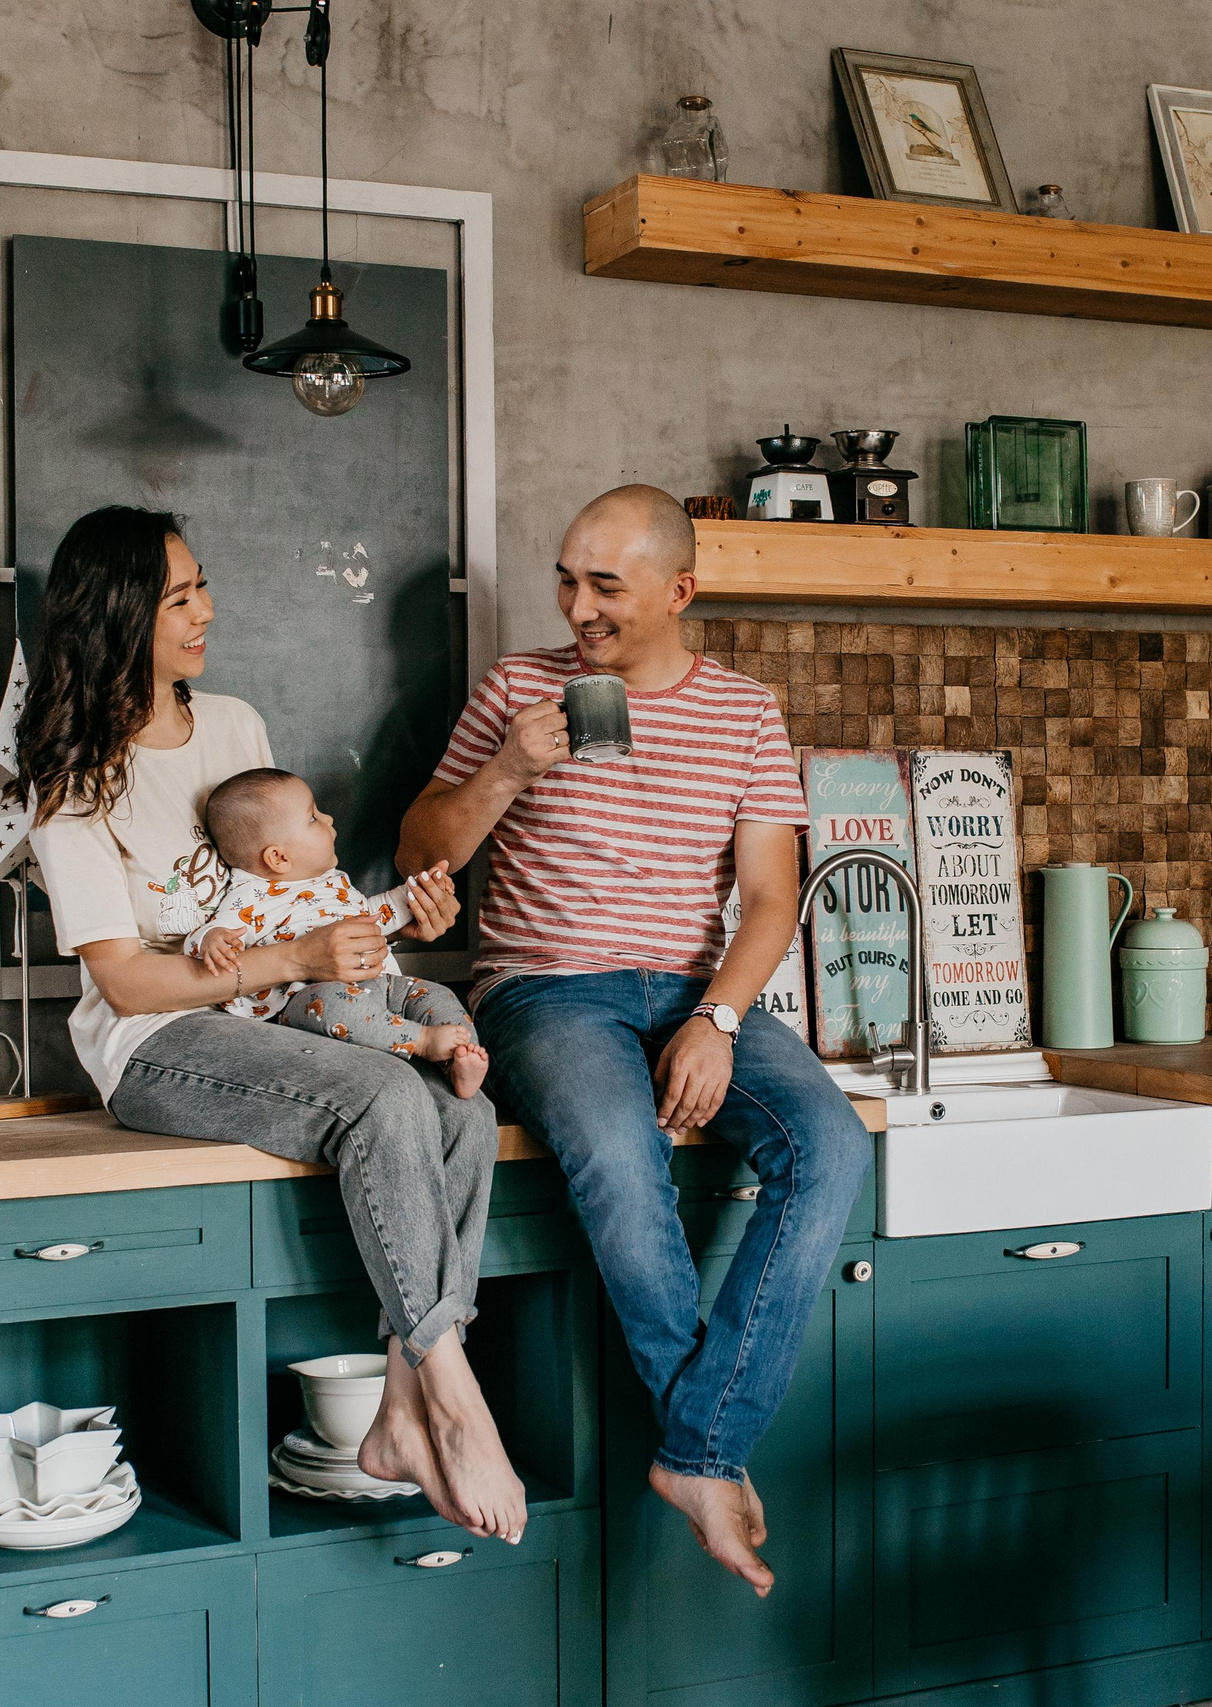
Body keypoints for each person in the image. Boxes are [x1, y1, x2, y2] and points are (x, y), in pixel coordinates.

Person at [16, 505, 525, 1544]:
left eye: (203, 583)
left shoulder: (237, 727)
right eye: (179, 597)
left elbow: (292, 887)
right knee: (387, 1091)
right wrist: (294, 959)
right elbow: (125, 985)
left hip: (275, 1019)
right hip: (159, 1047)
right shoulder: (74, 779)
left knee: (463, 1114)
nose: (208, 609)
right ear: (118, 615)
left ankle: (396, 1413)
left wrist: (388, 924)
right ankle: (451, 1393)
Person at [399, 484, 870, 1594]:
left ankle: (696, 1449)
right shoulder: (519, 687)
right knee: (620, 1153)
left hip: (693, 992)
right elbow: (421, 846)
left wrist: (715, 1019)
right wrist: (511, 768)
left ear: (678, 590)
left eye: (605, 585)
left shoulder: (746, 713)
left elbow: (767, 899)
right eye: (567, 578)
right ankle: (705, 1455)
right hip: (545, 991)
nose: (579, 607)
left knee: (833, 1147)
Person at [185, 766, 488, 1098]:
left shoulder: (333, 882)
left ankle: (461, 1058)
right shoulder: (248, 896)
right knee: (329, 1003)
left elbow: (372, 917)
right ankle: (422, 1041)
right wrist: (212, 940)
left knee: (437, 995)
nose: (328, 818)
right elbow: (216, 931)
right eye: (313, 817)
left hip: (384, 986)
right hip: (310, 1003)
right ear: (278, 857)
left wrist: (419, 894)